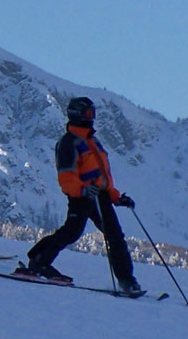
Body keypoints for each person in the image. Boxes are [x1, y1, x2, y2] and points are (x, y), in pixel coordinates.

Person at [17, 97, 142, 294]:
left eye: (93, 113)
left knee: (114, 235)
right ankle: (38, 260)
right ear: (77, 115)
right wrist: (81, 190)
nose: (91, 118)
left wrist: (116, 197)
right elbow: (66, 176)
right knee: (73, 231)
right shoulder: (69, 142)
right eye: (88, 114)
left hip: (100, 197)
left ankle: (127, 280)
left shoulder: (93, 142)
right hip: (82, 196)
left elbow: (103, 177)